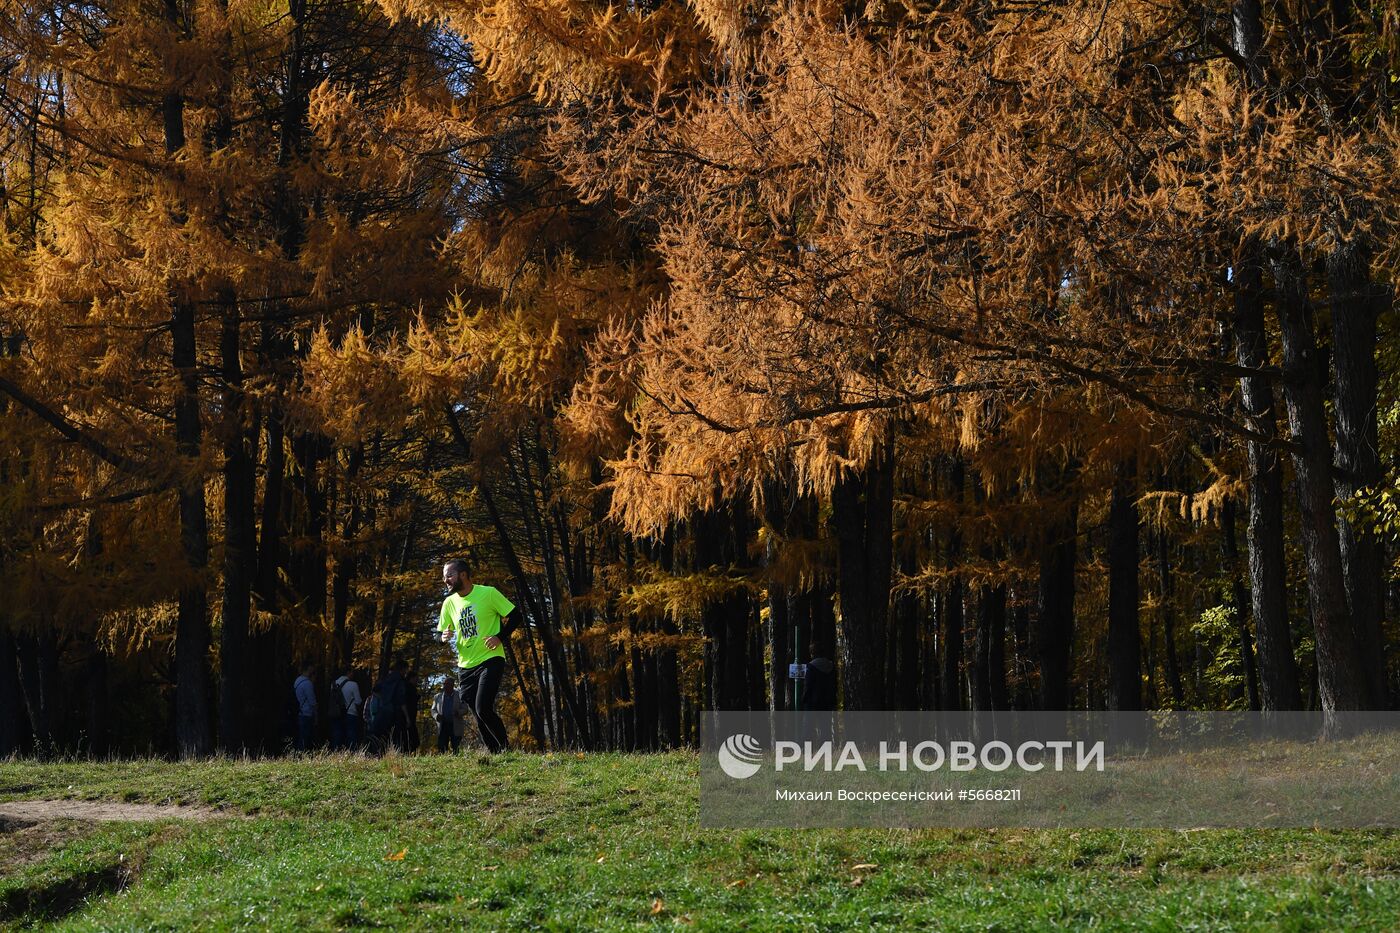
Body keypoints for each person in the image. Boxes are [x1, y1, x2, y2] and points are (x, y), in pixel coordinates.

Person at [438, 559, 516, 752]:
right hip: (465, 666)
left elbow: (516, 616)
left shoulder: (488, 593)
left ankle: (505, 748)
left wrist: (499, 637)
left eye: (449, 575)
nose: (445, 580)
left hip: (490, 659)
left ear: (463, 575)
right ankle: (495, 752)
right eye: (444, 577)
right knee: (478, 713)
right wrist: (443, 637)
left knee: (483, 708)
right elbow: (440, 635)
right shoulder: (449, 603)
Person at [375, 659, 410, 752]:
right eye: (406, 670)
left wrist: (383, 699)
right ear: (402, 669)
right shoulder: (400, 681)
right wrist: (407, 717)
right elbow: (401, 699)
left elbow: (375, 690)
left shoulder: (386, 678)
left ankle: (379, 752)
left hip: (383, 709)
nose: (406, 672)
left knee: (383, 734)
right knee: (395, 735)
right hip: (395, 711)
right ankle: (393, 754)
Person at [431, 677, 467, 753]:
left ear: (452, 685)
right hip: (442, 725)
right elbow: (433, 710)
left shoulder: (459, 695)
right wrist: (437, 716)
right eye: (444, 684)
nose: (445, 686)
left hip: (455, 725)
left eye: (447, 684)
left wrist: (458, 712)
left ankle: (456, 763)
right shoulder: (437, 696)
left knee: (456, 747)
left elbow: (465, 709)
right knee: (442, 748)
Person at [332, 670, 363, 751]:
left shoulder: (333, 684)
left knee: (337, 734)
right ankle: (351, 753)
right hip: (350, 712)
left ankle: (336, 753)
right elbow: (358, 701)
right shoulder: (353, 684)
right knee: (351, 735)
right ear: (349, 672)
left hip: (337, 713)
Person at [293, 662, 317, 752]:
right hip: (307, 713)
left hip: (299, 712)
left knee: (301, 736)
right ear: (309, 668)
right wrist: (316, 715)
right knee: (306, 737)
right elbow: (312, 701)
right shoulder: (307, 683)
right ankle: (304, 755)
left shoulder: (297, 681)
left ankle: (299, 754)